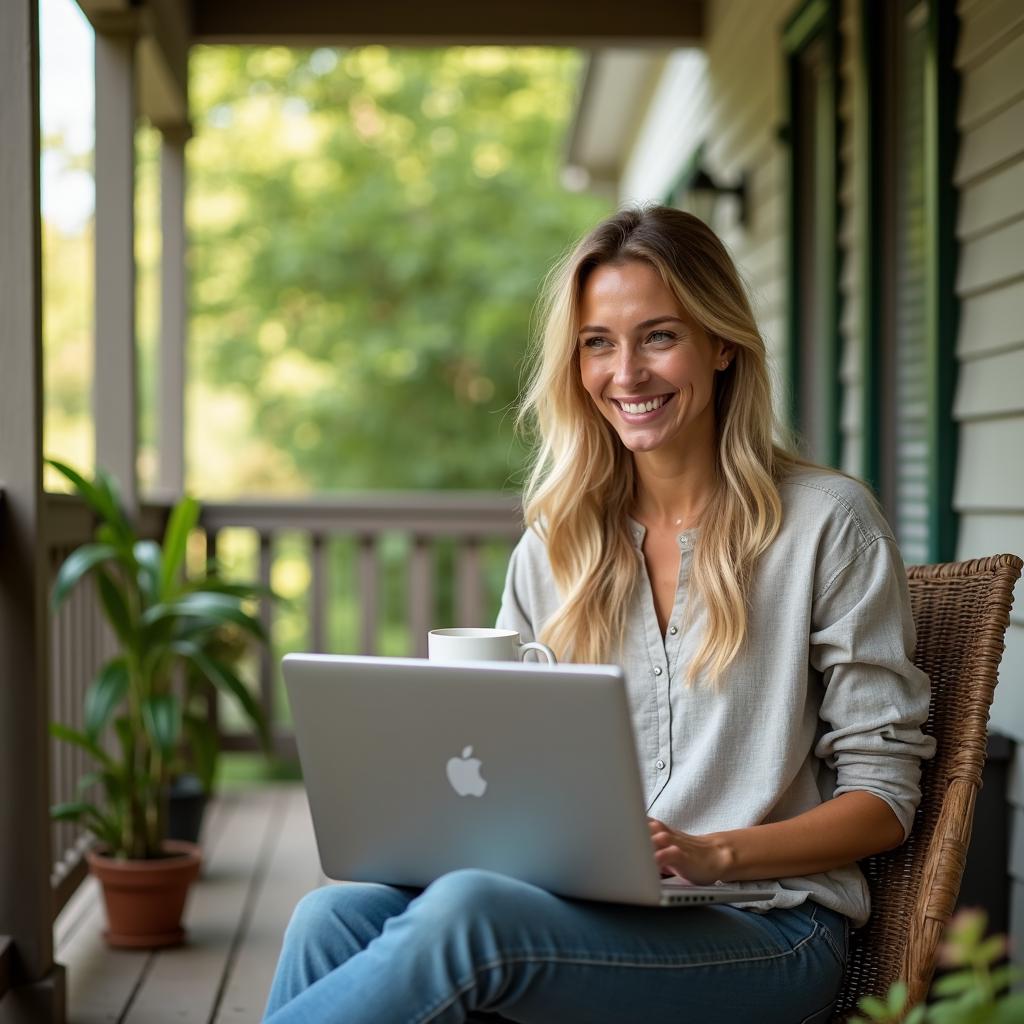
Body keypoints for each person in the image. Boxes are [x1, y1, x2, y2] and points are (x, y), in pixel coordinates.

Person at [263, 205, 935, 1023]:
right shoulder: (557, 546)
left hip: (768, 928)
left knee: (470, 917)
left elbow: (885, 801)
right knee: (328, 916)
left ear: (722, 344)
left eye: (659, 336)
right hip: (596, 912)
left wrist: (712, 853)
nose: (627, 373)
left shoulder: (827, 525)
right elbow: (497, 768)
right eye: (598, 343)